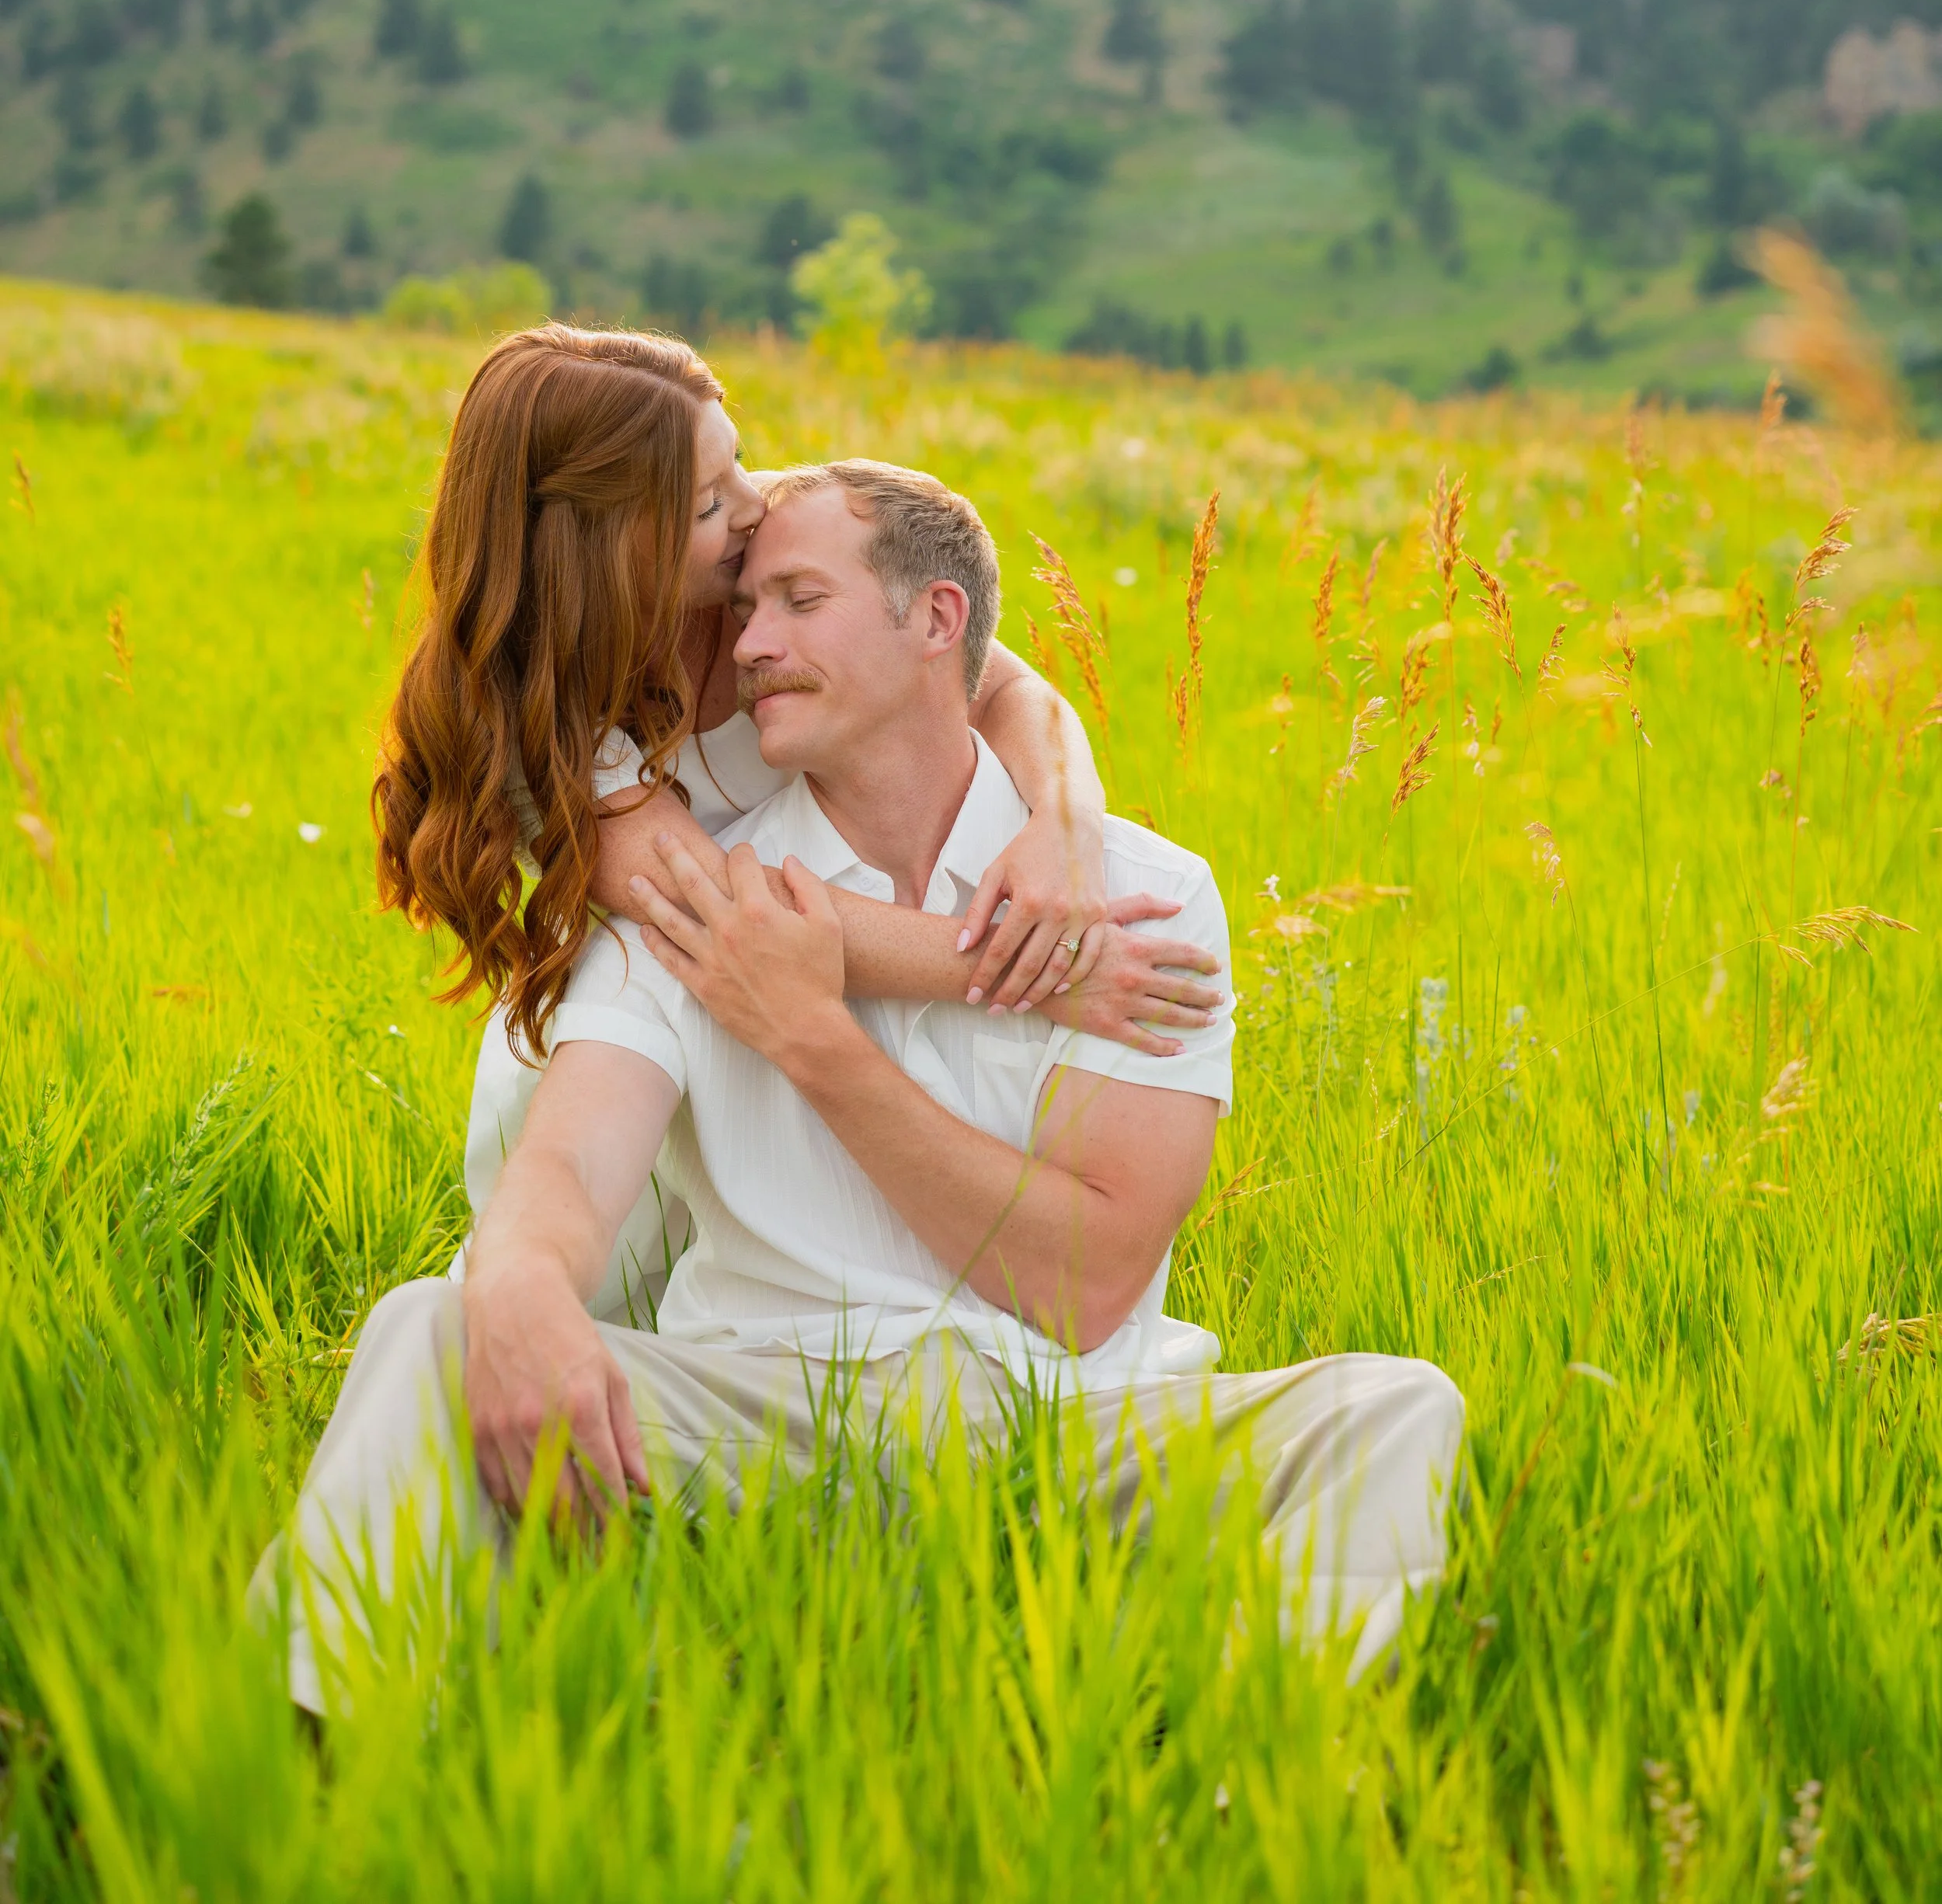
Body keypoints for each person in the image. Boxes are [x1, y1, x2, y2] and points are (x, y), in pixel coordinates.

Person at [254, 457, 1464, 1711]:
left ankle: (1241, 1780)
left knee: (1395, 1409)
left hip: (1066, 1430)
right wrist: (520, 1280)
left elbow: (1086, 1284)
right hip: (766, 1418)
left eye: (796, 602)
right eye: (745, 609)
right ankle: (311, 1765)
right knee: (434, 1331)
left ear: (936, 621)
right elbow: (565, 1162)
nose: (750, 644)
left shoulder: (1145, 897)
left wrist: (816, 1040)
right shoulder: (698, 894)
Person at [371, 324, 1223, 1325]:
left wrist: (1068, 820)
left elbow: (986, 677)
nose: (750, 504)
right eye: (706, 501)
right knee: (576, 1298)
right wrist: (1037, 974)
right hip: (660, 991)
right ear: (612, 547)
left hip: (862, 947)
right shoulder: (532, 716)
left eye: (734, 459)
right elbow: (720, 916)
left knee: (818, 1270)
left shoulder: (750, 548)